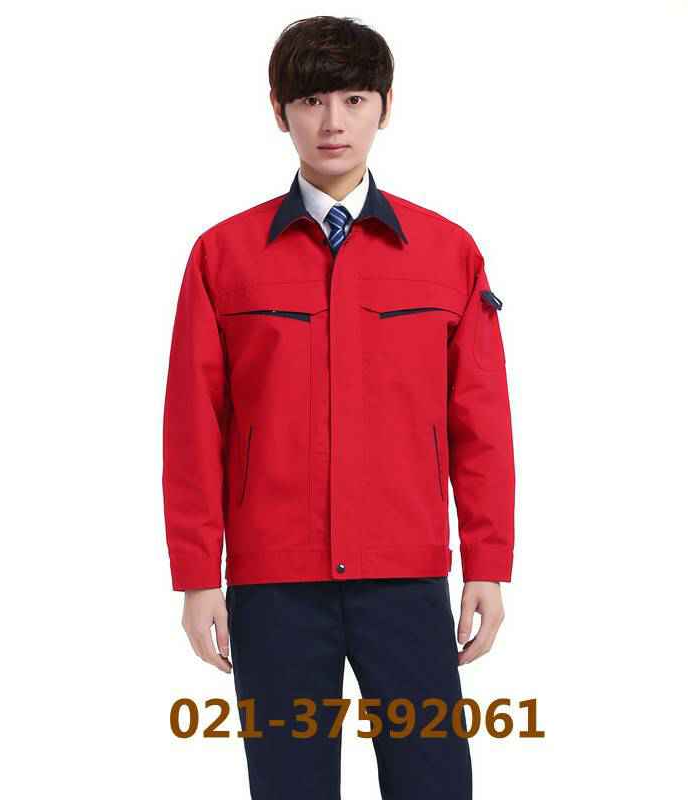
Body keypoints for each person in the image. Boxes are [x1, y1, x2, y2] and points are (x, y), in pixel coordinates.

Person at [162, 15, 515, 800]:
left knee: (432, 784)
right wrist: (197, 575)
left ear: (385, 106)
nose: (332, 122)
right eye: (311, 100)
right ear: (278, 110)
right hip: (273, 586)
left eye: (354, 99)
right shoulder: (223, 255)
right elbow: (192, 427)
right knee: (289, 787)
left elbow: (482, 426)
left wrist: (487, 564)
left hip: (407, 581)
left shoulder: (447, 251)